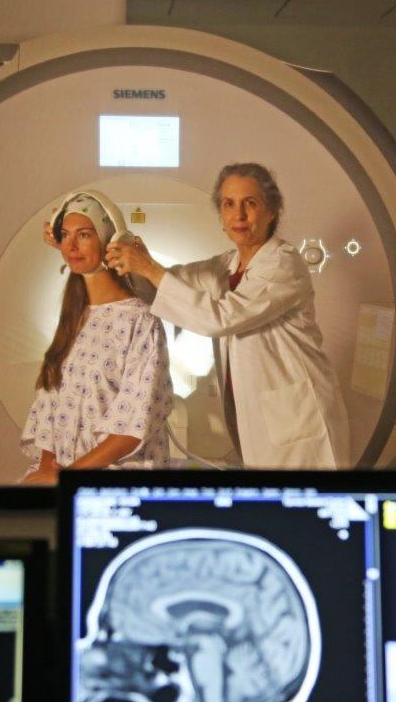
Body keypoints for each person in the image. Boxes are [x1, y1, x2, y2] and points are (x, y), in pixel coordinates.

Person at [104, 163, 350, 468]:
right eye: (228, 204)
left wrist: (149, 268)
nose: (239, 215)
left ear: (272, 211)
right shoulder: (226, 265)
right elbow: (159, 286)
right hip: (260, 420)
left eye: (250, 203)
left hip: (302, 423)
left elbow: (220, 318)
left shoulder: (283, 264)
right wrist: (116, 248)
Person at [20, 193, 173, 485]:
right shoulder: (74, 317)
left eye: (84, 235)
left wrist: (65, 479)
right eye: (65, 235)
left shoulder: (141, 321)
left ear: (108, 244)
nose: (71, 246)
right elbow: (51, 407)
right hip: (66, 474)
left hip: (115, 480)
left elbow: (132, 427)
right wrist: (48, 469)